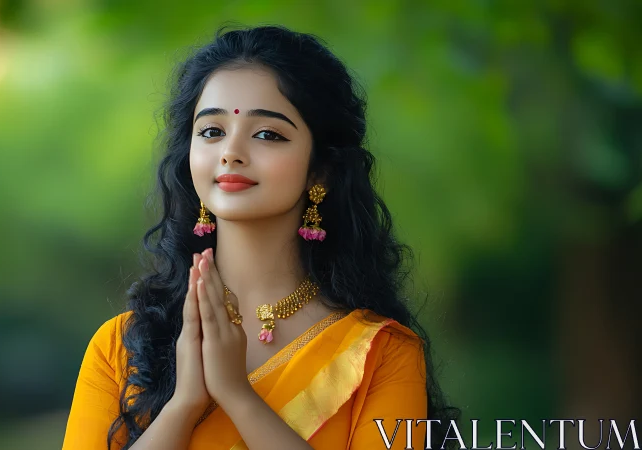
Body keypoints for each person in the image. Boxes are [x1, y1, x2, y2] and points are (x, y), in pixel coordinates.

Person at [63, 24, 459, 450]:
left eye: (268, 134)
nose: (231, 151)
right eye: (211, 131)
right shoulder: (123, 348)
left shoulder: (381, 354)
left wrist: (238, 397)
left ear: (319, 170)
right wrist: (183, 405)